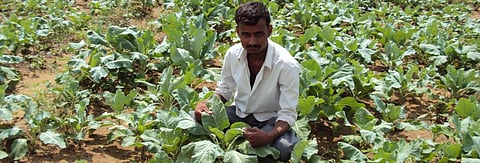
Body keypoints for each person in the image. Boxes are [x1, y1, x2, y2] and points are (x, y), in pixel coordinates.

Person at [194, 1, 300, 161]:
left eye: (258, 34)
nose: (252, 42)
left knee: (284, 149)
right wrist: (205, 105)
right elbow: (224, 91)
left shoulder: (286, 64)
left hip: (270, 120)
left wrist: (269, 136)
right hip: (238, 114)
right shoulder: (232, 54)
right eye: (246, 34)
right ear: (238, 32)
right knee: (193, 118)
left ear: (269, 30)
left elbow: (287, 113)